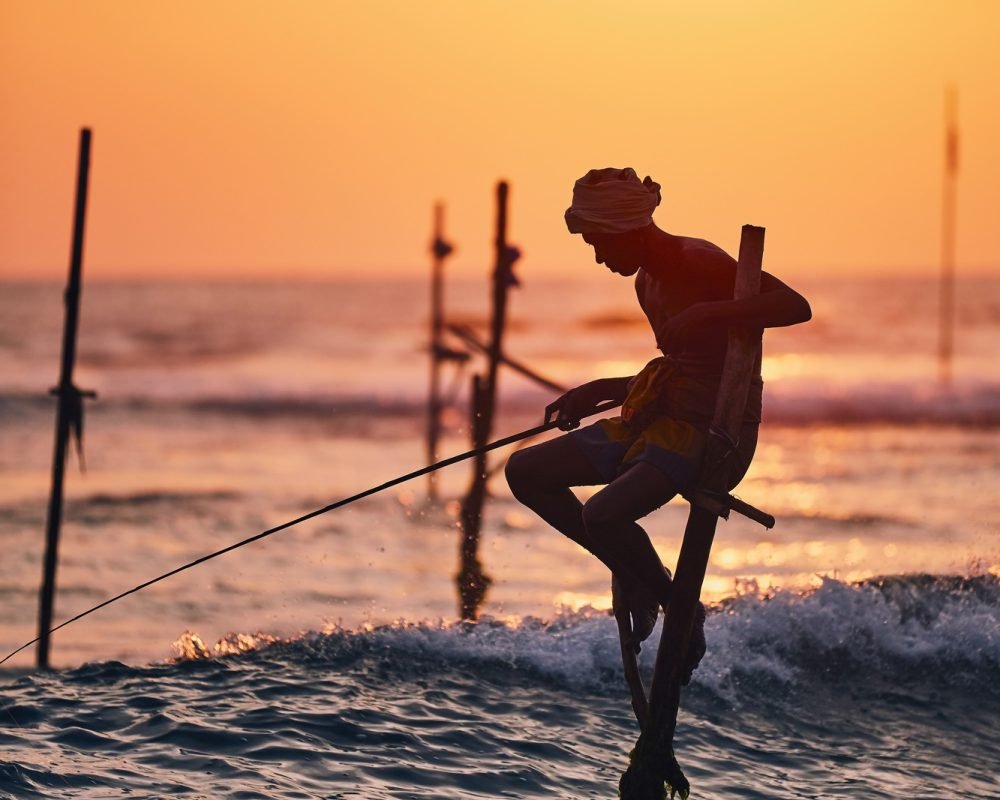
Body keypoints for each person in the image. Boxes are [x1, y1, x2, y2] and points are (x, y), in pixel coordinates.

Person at [505, 167, 811, 681]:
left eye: (603, 244)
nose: (601, 258)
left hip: (713, 433)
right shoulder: (646, 280)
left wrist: (713, 311)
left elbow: (795, 306)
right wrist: (601, 389)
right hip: (660, 420)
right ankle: (639, 576)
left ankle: (678, 603)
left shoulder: (699, 260)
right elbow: (681, 371)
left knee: (601, 517)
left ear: (632, 230)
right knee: (524, 471)